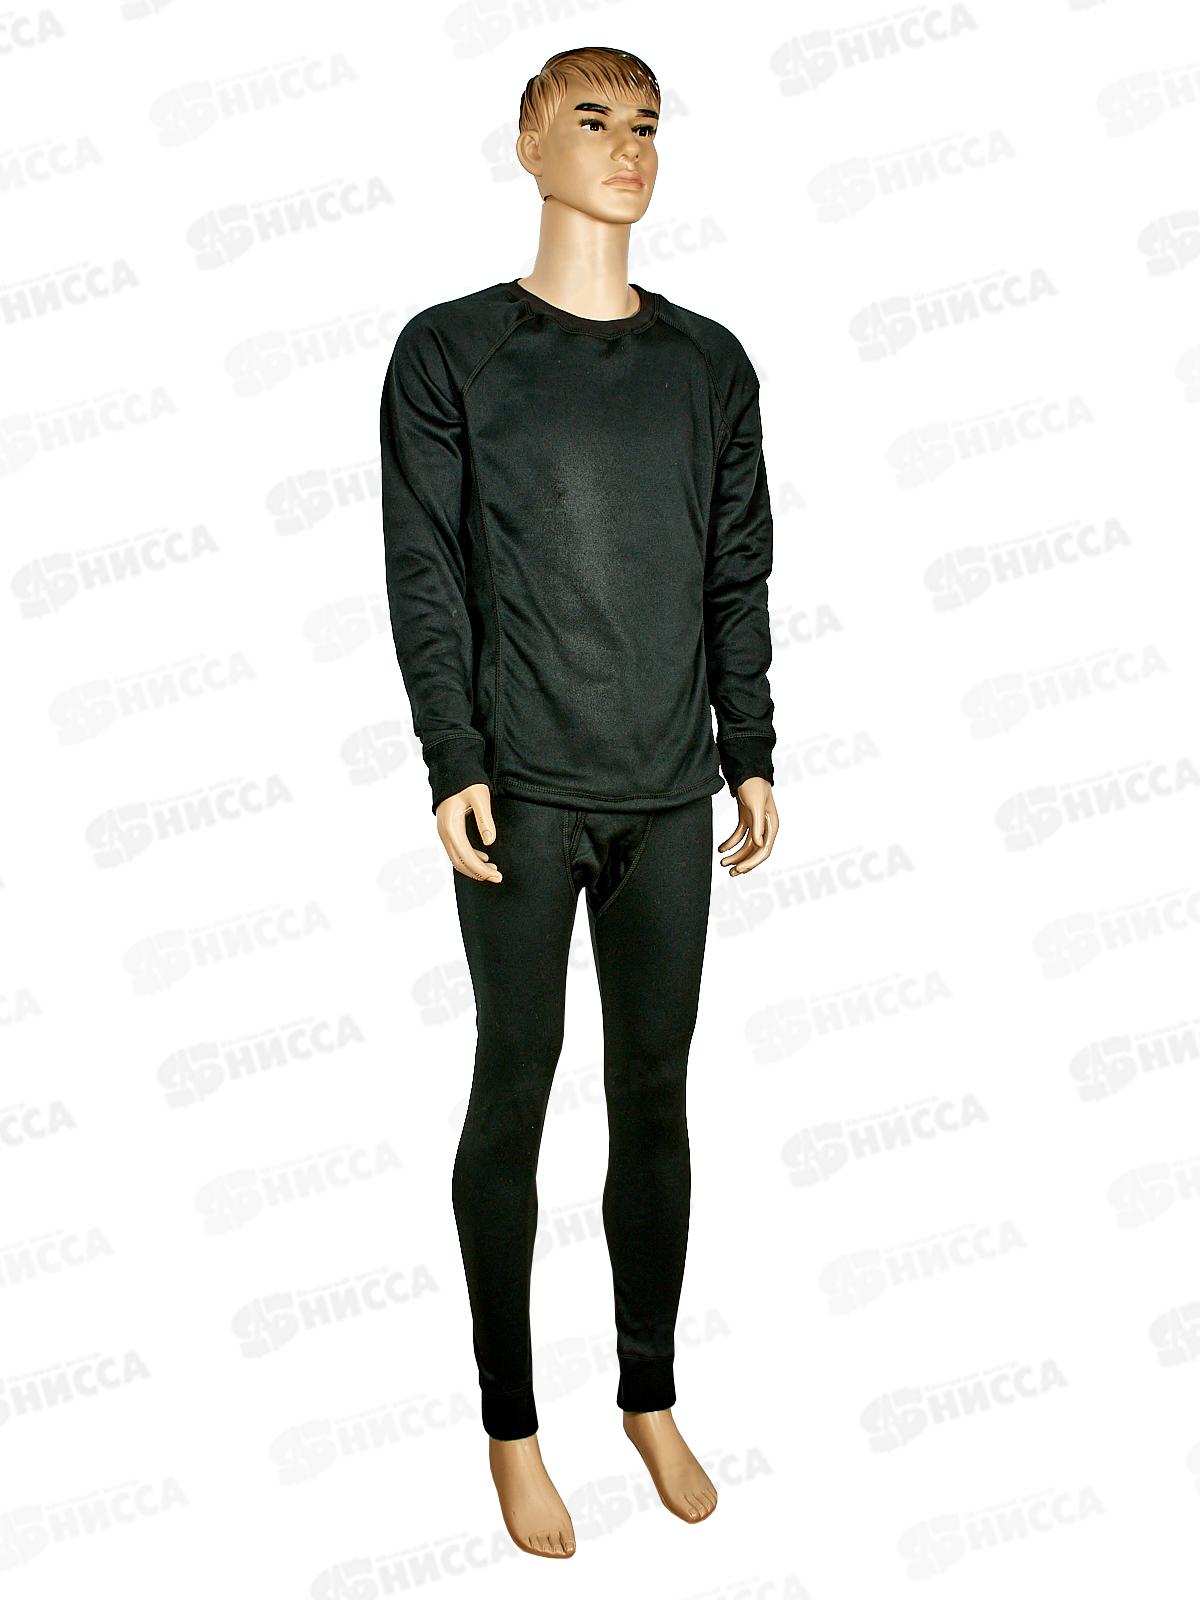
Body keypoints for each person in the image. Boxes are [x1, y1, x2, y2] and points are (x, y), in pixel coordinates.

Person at [379, 44, 780, 1559]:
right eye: (594, 121)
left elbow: (736, 569)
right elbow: (426, 571)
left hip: (669, 791)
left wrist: (750, 746)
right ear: (529, 146)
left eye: (649, 125)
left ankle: (649, 1394)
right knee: (518, 1081)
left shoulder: (711, 365)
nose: (629, 148)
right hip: (523, 794)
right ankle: (511, 1426)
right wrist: (453, 758)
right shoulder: (450, 354)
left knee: (655, 1094)